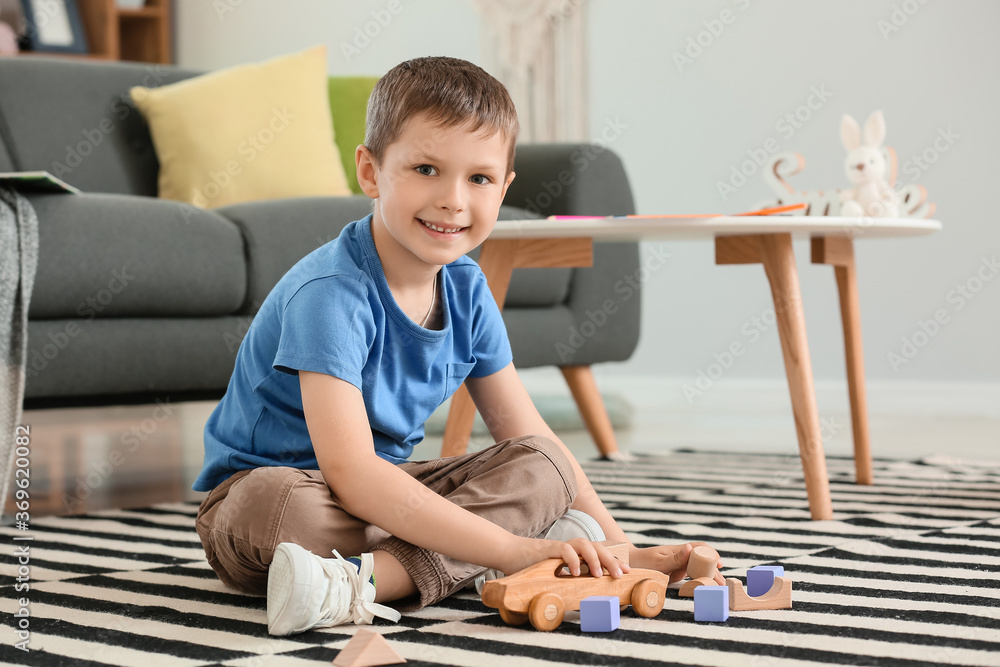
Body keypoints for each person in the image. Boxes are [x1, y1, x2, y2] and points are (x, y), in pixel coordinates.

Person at [193, 56, 723, 637]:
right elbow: (351, 474)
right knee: (275, 505)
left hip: (382, 498)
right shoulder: (332, 293)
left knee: (545, 467)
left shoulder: (468, 287)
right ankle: (485, 550)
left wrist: (622, 550)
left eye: (479, 178)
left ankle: (361, 584)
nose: (453, 199)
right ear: (371, 172)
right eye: (425, 168)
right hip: (284, 503)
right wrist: (508, 549)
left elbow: (529, 437)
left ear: (504, 188)